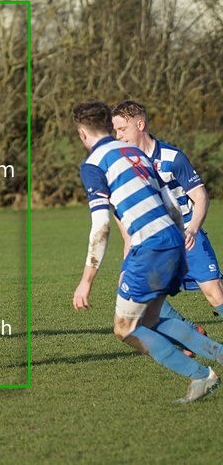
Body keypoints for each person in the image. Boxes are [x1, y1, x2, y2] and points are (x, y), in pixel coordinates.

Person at [71, 100, 223, 403]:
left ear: (83, 134)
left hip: (150, 246)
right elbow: (169, 202)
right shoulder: (136, 153)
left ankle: (201, 376)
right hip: (172, 239)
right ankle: (217, 356)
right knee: (151, 319)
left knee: (124, 329)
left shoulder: (92, 165)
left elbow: (101, 225)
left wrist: (86, 280)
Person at [110, 100, 223, 325]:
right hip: (152, 238)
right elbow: (121, 213)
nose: (118, 136)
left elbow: (200, 197)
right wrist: (127, 253)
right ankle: (190, 331)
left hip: (185, 232)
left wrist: (192, 230)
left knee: (214, 292)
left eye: (122, 129)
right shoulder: (121, 165)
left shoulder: (172, 158)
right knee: (138, 295)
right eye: (115, 130)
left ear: (140, 125)